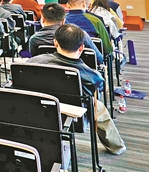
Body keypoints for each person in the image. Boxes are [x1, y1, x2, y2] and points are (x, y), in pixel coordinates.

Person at [27, 24, 126, 155]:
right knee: (98, 107)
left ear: (55, 43)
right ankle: (117, 147)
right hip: (73, 117)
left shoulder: (33, 62)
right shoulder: (92, 76)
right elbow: (99, 90)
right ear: (81, 48)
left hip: (35, 110)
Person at [28, 3, 102, 62]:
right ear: (63, 21)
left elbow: (36, 61)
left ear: (43, 19)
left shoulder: (34, 39)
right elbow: (99, 59)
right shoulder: (80, 35)